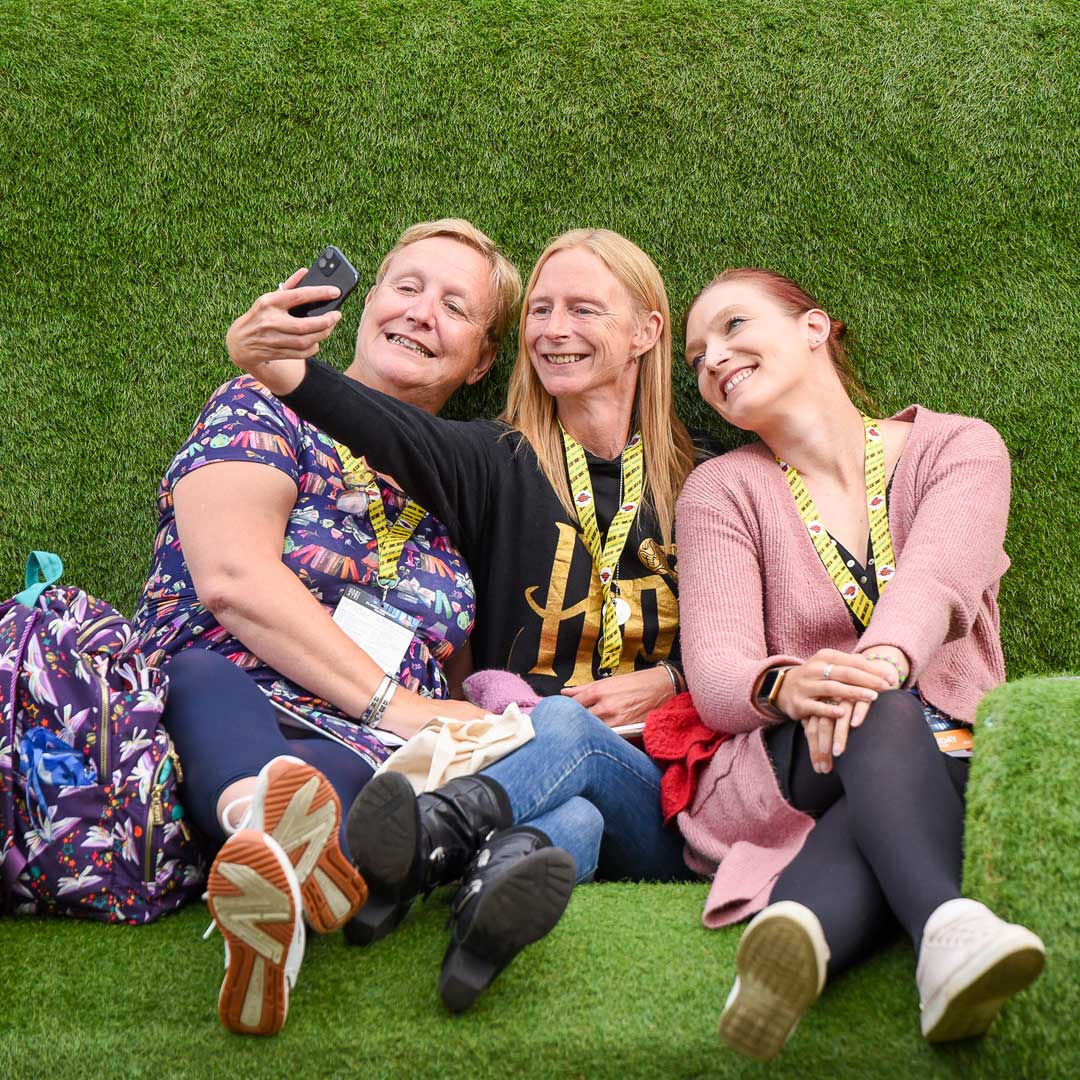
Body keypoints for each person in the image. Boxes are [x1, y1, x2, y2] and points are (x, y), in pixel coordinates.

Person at [228, 229, 711, 989]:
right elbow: (385, 425)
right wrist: (281, 367)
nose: (555, 329)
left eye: (584, 309)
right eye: (541, 311)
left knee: (568, 729)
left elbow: (777, 633)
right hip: (526, 785)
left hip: (666, 798)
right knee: (570, 820)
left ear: (647, 331)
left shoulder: (707, 482)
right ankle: (478, 933)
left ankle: (414, 844)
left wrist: (676, 678)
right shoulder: (497, 461)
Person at [134, 220, 581, 1033]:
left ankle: (271, 862)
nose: (420, 312)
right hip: (220, 699)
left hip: (362, 759)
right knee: (202, 678)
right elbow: (232, 581)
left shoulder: (465, 493)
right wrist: (393, 704)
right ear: (366, 302)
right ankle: (269, 839)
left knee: (360, 776)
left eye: (455, 305)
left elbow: (457, 668)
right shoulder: (263, 402)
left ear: (481, 359)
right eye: (405, 287)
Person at [672, 267, 1045, 1061]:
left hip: (949, 752)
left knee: (895, 748)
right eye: (698, 356)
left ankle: (800, 932)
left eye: (733, 327)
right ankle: (947, 930)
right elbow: (715, 669)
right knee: (880, 715)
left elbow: (938, 579)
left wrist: (871, 671)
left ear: (815, 327)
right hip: (788, 763)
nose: (712, 361)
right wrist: (791, 683)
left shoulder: (960, 447)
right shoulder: (719, 490)